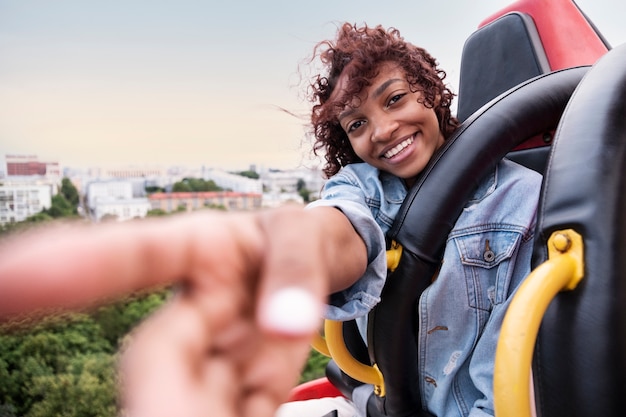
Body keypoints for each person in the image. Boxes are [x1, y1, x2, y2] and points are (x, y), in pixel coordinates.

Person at [0, 22, 541, 417]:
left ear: (433, 92)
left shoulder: (531, 193)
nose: (380, 130)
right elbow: (337, 228)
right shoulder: (368, 190)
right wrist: (279, 254)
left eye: (395, 98)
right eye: (356, 124)